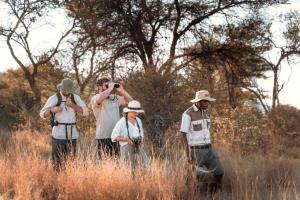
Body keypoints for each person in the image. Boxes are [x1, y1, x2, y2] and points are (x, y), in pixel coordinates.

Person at [180, 90, 224, 194]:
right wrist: (188, 154)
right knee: (194, 177)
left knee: (219, 172)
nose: (207, 104)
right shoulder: (188, 113)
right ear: (198, 101)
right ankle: (192, 195)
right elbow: (183, 134)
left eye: (208, 101)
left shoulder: (207, 112)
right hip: (196, 150)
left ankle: (213, 195)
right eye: (205, 101)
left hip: (209, 149)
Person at [40, 78, 89, 170]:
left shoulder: (75, 98)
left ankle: (69, 181)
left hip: (72, 135)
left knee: (71, 162)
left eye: (69, 91)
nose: (67, 93)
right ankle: (57, 181)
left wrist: (73, 106)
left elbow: (86, 112)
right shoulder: (54, 98)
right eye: (66, 91)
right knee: (57, 163)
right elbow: (42, 114)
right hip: (58, 135)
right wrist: (52, 110)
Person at [91, 78, 133, 162]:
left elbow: (131, 102)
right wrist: (109, 89)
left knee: (116, 162)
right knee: (102, 163)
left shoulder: (114, 98)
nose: (109, 87)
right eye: (106, 85)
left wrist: (122, 91)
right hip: (103, 136)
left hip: (115, 136)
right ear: (99, 87)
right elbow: (99, 100)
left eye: (109, 84)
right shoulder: (95, 98)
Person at [111, 100, 149, 176]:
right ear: (129, 111)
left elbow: (141, 133)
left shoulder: (138, 120)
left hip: (138, 146)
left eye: (137, 111)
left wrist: (141, 140)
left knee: (144, 165)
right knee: (128, 168)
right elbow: (113, 137)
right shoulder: (122, 122)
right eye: (134, 111)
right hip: (126, 148)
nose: (136, 113)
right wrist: (127, 139)